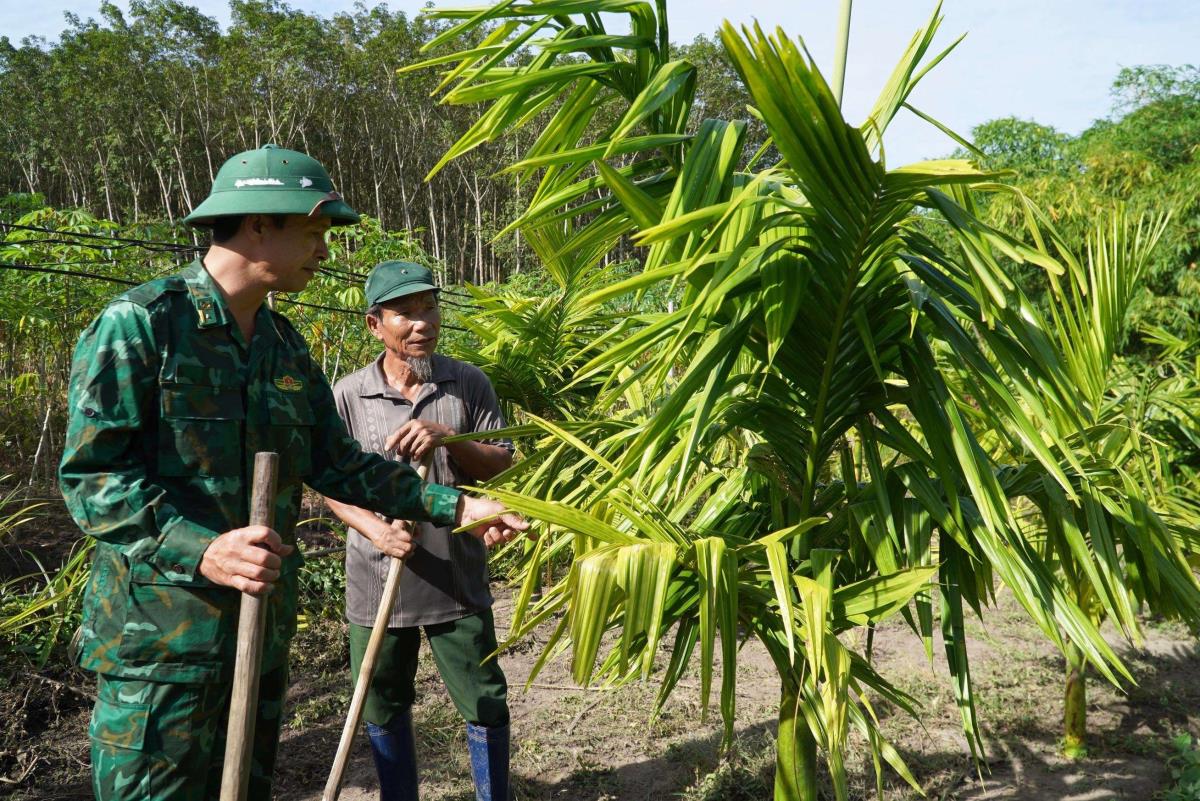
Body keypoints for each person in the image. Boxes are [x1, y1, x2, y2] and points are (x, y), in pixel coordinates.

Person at [58, 144, 527, 801]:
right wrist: (203, 548)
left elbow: (336, 464)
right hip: (161, 653)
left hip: (260, 641)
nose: (325, 252)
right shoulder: (142, 328)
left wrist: (460, 509)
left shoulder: (284, 348)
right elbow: (91, 477)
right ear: (259, 225)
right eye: (313, 233)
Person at [323, 261, 515, 801]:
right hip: (377, 575)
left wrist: (449, 438)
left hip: (457, 575)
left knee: (484, 699)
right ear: (374, 324)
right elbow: (332, 482)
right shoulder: (348, 395)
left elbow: (502, 466)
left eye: (429, 308)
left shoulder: (466, 383)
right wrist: (375, 531)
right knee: (382, 702)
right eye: (404, 313)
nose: (421, 323)